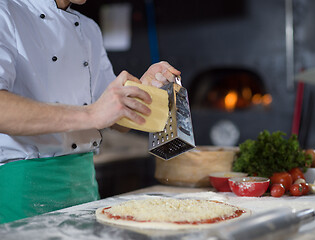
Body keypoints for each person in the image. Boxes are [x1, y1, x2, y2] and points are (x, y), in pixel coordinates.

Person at [0, 0, 181, 224]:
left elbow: (116, 120)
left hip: (84, 186)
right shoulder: (6, 12)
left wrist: (143, 91)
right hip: (24, 191)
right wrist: (92, 114)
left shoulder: (89, 29)